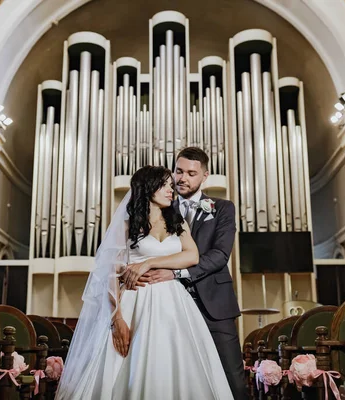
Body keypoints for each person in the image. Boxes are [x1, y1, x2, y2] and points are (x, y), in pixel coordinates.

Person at [56, 165, 234, 399]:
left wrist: (148, 263)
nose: (172, 190)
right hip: (135, 302)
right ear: (148, 188)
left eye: (172, 186)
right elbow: (110, 273)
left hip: (174, 304)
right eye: (165, 185)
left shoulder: (177, 223)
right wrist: (117, 318)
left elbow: (192, 256)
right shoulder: (127, 226)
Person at [135, 147, 247, 400]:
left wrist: (176, 273)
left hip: (213, 305)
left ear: (205, 176)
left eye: (191, 173)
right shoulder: (160, 205)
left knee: (233, 382)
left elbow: (219, 255)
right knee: (179, 382)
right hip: (168, 307)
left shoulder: (222, 208)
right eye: (178, 171)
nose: (182, 178)